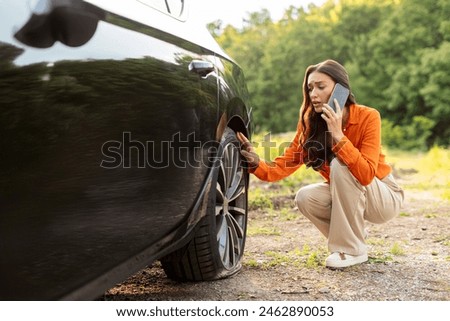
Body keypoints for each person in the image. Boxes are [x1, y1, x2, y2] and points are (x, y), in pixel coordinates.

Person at [237, 59, 404, 269]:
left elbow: (366, 175)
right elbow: (282, 166)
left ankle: (349, 249)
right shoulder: (310, 123)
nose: (313, 94)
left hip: (383, 196)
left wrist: (338, 136)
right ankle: (354, 242)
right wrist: (256, 162)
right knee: (306, 197)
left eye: (321, 86)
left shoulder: (368, 117)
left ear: (340, 89)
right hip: (347, 192)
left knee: (340, 165)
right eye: (310, 88)